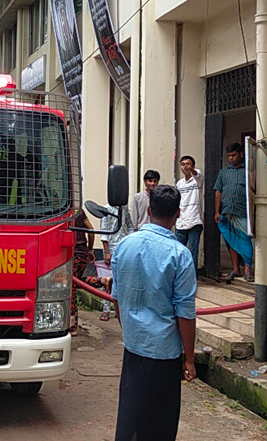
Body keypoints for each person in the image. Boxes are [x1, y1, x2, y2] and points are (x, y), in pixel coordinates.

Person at [111, 185, 197, 441]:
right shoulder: (180, 256)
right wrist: (189, 358)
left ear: (149, 210)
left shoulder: (124, 246)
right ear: (178, 214)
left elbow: (117, 298)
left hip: (133, 347)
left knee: (130, 417)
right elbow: (185, 313)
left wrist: (128, 327)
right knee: (159, 424)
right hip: (163, 354)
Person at [215, 143, 254, 282]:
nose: (231, 158)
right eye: (229, 156)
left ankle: (248, 270)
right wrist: (217, 211)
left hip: (243, 212)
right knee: (231, 240)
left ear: (241, 154)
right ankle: (236, 269)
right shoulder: (224, 172)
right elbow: (218, 191)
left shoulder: (248, 171)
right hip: (227, 212)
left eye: (234, 155)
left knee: (245, 240)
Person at [97, 204, 133, 321]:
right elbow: (104, 232)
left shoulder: (124, 208)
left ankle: (120, 309)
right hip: (111, 249)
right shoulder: (106, 209)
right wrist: (107, 252)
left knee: (122, 279)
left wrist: (130, 241)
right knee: (107, 279)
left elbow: (130, 226)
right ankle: (106, 310)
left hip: (124, 247)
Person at [174, 156, 204, 273]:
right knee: (178, 251)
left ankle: (193, 276)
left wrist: (191, 170)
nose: (185, 166)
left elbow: (196, 174)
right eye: (182, 164)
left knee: (193, 251)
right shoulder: (179, 184)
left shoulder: (198, 179)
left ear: (193, 166)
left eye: (188, 164)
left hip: (194, 221)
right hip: (181, 222)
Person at [69, 210, 95, 336]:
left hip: (71, 255)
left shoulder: (62, 211)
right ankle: (100, 281)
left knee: (71, 288)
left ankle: (73, 326)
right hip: (83, 254)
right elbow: (91, 229)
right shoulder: (79, 211)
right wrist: (90, 249)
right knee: (78, 281)